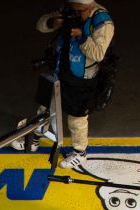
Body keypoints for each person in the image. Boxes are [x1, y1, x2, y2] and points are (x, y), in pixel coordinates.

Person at [12, 0, 115, 169]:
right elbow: (41, 26)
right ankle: (36, 137)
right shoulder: (68, 9)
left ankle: (80, 152)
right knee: (45, 106)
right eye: (74, 9)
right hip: (59, 68)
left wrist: (82, 37)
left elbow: (98, 54)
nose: (76, 14)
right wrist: (54, 22)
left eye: (80, 11)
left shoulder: (102, 21)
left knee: (77, 117)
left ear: (89, 7)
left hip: (82, 76)